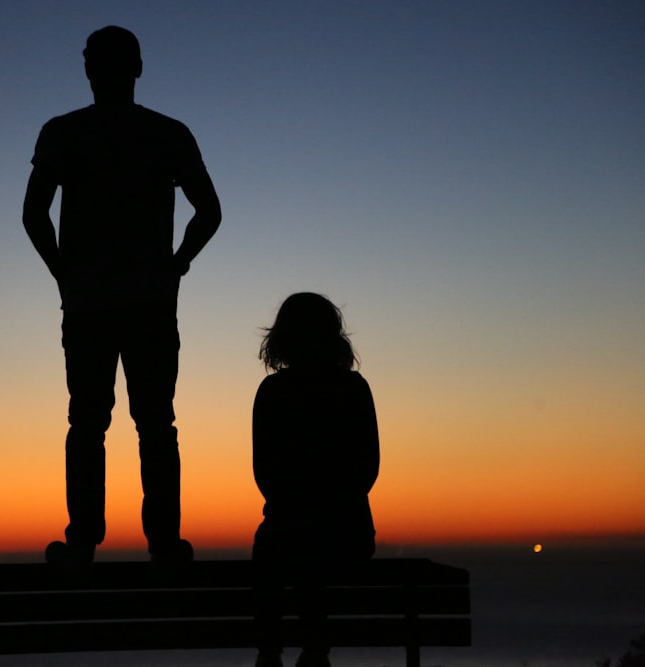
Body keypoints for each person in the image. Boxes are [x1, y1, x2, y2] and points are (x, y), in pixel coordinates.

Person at [22, 26, 221, 566]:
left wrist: (63, 273)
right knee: (154, 421)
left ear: (90, 70)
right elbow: (210, 212)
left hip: (90, 299)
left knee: (88, 421)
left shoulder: (64, 133)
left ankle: (84, 540)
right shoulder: (167, 134)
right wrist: (177, 265)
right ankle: (162, 543)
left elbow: (33, 213)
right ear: (137, 67)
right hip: (148, 300)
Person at [251, 293, 380, 667]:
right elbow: (366, 470)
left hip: (285, 534)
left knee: (285, 546)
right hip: (348, 532)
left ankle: (271, 653)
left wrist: (300, 511)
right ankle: (314, 652)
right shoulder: (354, 389)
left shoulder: (273, 392)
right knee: (308, 546)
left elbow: (266, 475)